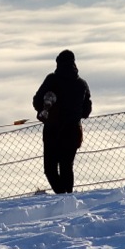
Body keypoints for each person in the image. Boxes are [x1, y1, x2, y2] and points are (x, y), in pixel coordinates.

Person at [32, 49, 92, 194]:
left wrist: (46, 108)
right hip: (73, 131)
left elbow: (36, 101)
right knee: (66, 167)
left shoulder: (52, 79)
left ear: (58, 63)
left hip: (53, 130)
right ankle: (68, 198)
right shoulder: (82, 84)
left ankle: (62, 196)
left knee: (50, 169)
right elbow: (86, 111)